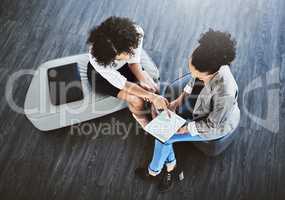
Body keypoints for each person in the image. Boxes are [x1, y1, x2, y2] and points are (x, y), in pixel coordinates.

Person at [135, 29, 240, 192]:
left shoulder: (225, 92)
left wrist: (184, 128)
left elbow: (212, 124)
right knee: (163, 134)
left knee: (164, 137)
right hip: (199, 108)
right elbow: (193, 80)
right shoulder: (209, 64)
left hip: (213, 126)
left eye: (196, 73)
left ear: (208, 72)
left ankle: (153, 171)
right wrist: (178, 101)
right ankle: (171, 167)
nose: (192, 75)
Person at [87, 16, 169, 127]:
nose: (128, 56)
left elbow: (133, 62)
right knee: (136, 100)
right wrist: (151, 97)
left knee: (153, 87)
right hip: (103, 78)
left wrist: (147, 87)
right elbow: (123, 84)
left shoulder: (136, 33)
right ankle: (145, 123)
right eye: (121, 57)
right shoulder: (97, 58)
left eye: (128, 51)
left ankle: (158, 115)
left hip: (126, 68)